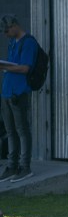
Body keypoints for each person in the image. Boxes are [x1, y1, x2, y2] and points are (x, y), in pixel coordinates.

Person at [0, 14, 36, 183]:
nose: (5, 34)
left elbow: (25, 68)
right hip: (7, 92)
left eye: (7, 30)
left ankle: (24, 166)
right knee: (10, 131)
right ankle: (12, 165)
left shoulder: (28, 42)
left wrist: (6, 67)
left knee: (22, 129)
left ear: (14, 25)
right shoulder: (12, 42)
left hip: (19, 92)